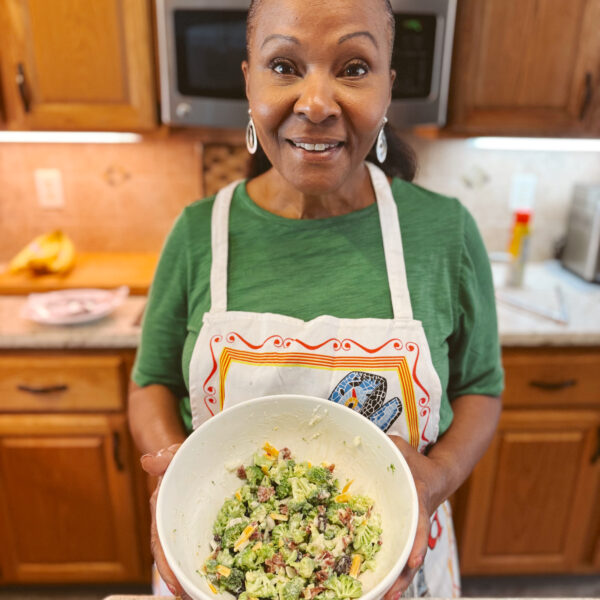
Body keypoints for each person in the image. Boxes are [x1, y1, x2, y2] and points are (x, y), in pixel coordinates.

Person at [128, 0, 504, 597]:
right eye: (284, 66)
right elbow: (149, 381)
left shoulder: (445, 232)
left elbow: (482, 385)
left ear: (388, 88)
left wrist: (435, 479)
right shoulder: (198, 233)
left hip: (400, 566)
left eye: (354, 68)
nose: (316, 103)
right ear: (248, 78)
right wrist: (176, 477)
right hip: (221, 568)